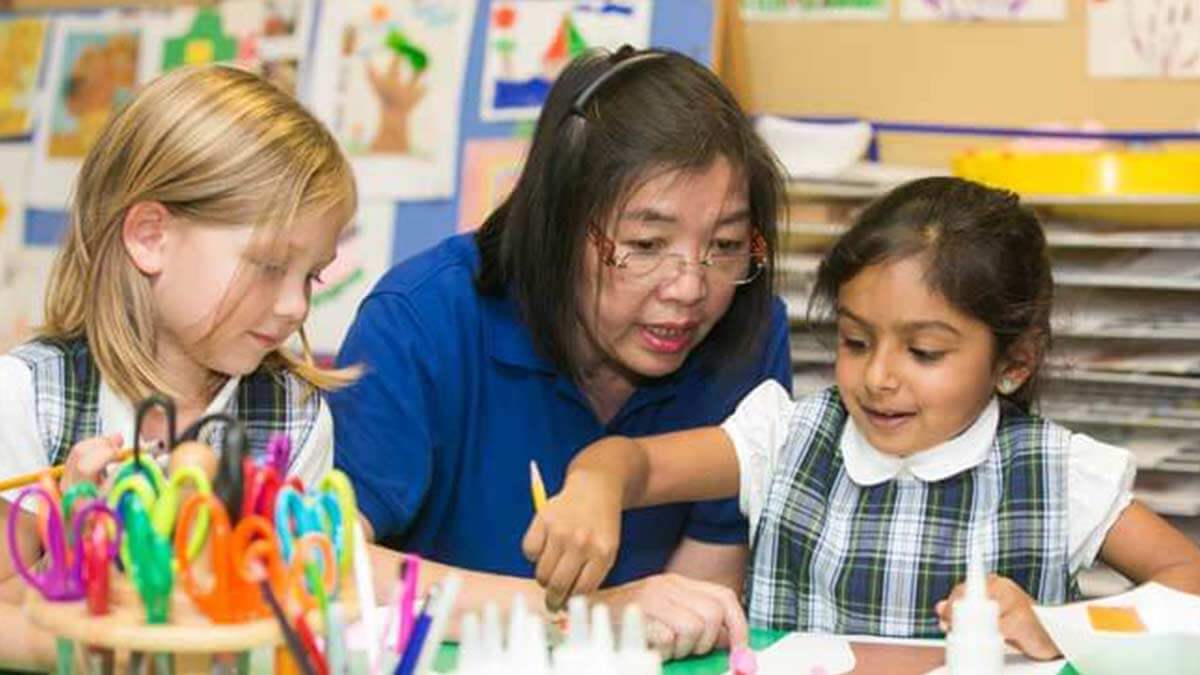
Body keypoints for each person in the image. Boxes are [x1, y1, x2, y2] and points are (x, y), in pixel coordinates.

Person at [523, 176, 1200, 659]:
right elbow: (633, 462)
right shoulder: (786, 438)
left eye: (924, 351)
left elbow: (1188, 582)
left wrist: (1060, 624)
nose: (878, 375)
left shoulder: (1058, 473)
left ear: (1013, 362)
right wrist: (594, 485)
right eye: (855, 341)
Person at [330, 46, 791, 658]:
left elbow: (696, 613)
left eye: (727, 244)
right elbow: (327, 568)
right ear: (556, 225)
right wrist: (588, 615)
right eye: (646, 244)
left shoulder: (748, 330)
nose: (689, 288)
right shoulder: (419, 322)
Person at [0, 64, 358, 668]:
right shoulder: (30, 397)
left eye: (312, 275)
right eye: (270, 264)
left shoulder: (294, 421)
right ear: (149, 237)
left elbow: (292, 610)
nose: (297, 304)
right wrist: (72, 566)